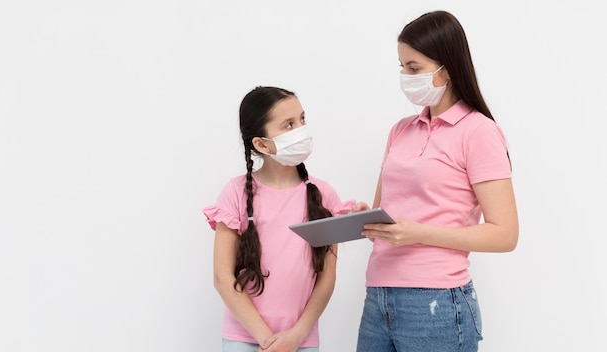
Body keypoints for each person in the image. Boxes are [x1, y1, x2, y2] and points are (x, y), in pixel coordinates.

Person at [354, 10, 519, 352]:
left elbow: (505, 234)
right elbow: (387, 213)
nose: (404, 76)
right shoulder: (400, 131)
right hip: (379, 295)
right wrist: (363, 216)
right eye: (401, 66)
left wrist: (418, 233)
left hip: (436, 302)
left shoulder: (479, 132)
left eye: (414, 68)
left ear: (447, 68)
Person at [203, 86, 355, 352]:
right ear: (261, 144)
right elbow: (222, 277)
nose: (301, 130)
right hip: (245, 339)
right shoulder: (235, 193)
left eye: (302, 119)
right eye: (288, 124)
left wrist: (295, 336)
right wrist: (267, 340)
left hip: (302, 340)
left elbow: (327, 277)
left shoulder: (324, 195)